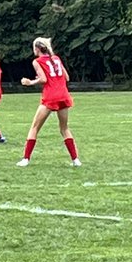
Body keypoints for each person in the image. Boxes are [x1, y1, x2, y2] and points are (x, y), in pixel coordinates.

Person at [17, 37, 80, 167]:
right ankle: (75, 160)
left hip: (50, 96)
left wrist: (30, 82)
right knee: (64, 128)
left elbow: (44, 79)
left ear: (37, 49)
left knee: (34, 128)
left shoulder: (37, 61)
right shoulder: (56, 58)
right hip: (63, 95)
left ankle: (25, 159)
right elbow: (67, 77)